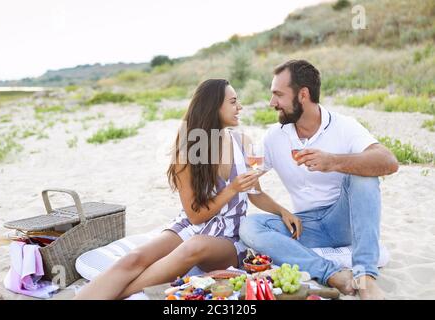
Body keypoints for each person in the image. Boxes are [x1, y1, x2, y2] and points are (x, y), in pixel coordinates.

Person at [74, 79, 297, 299]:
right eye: (233, 102)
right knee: (135, 258)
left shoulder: (242, 142)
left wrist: (282, 211)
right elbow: (195, 216)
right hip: (191, 225)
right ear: (213, 107)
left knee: (194, 246)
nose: (240, 107)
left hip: (229, 237)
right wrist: (231, 190)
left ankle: (118, 294)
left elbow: (255, 194)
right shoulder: (186, 151)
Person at [239, 60, 399, 300]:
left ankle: (365, 276)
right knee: (250, 226)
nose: (272, 103)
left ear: (303, 94)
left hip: (342, 219)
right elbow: (251, 182)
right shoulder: (274, 136)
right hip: (305, 226)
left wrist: (333, 161)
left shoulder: (345, 126)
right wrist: (281, 210)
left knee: (364, 178)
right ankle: (332, 274)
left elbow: (389, 161)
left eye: (278, 95)